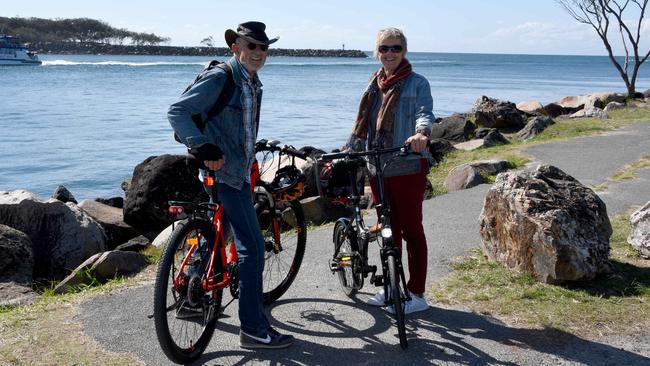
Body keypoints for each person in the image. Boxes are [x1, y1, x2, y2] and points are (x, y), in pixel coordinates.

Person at [168, 21, 294, 349]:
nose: (258, 53)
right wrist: (201, 145)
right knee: (252, 247)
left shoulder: (253, 83)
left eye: (263, 47)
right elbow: (178, 111)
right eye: (251, 46)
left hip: (234, 170)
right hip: (224, 174)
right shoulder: (222, 77)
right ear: (235, 47)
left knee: (219, 232)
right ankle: (253, 328)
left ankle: (193, 297)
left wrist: (249, 149)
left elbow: (239, 124)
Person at [344, 27, 434, 314]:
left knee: (411, 230)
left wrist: (422, 134)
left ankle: (417, 294)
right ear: (377, 52)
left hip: (407, 164)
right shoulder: (373, 83)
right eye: (384, 48)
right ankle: (391, 287)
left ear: (404, 50)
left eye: (395, 48)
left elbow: (424, 112)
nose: (390, 53)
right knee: (387, 229)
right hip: (377, 165)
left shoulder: (417, 83)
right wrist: (349, 149)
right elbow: (363, 123)